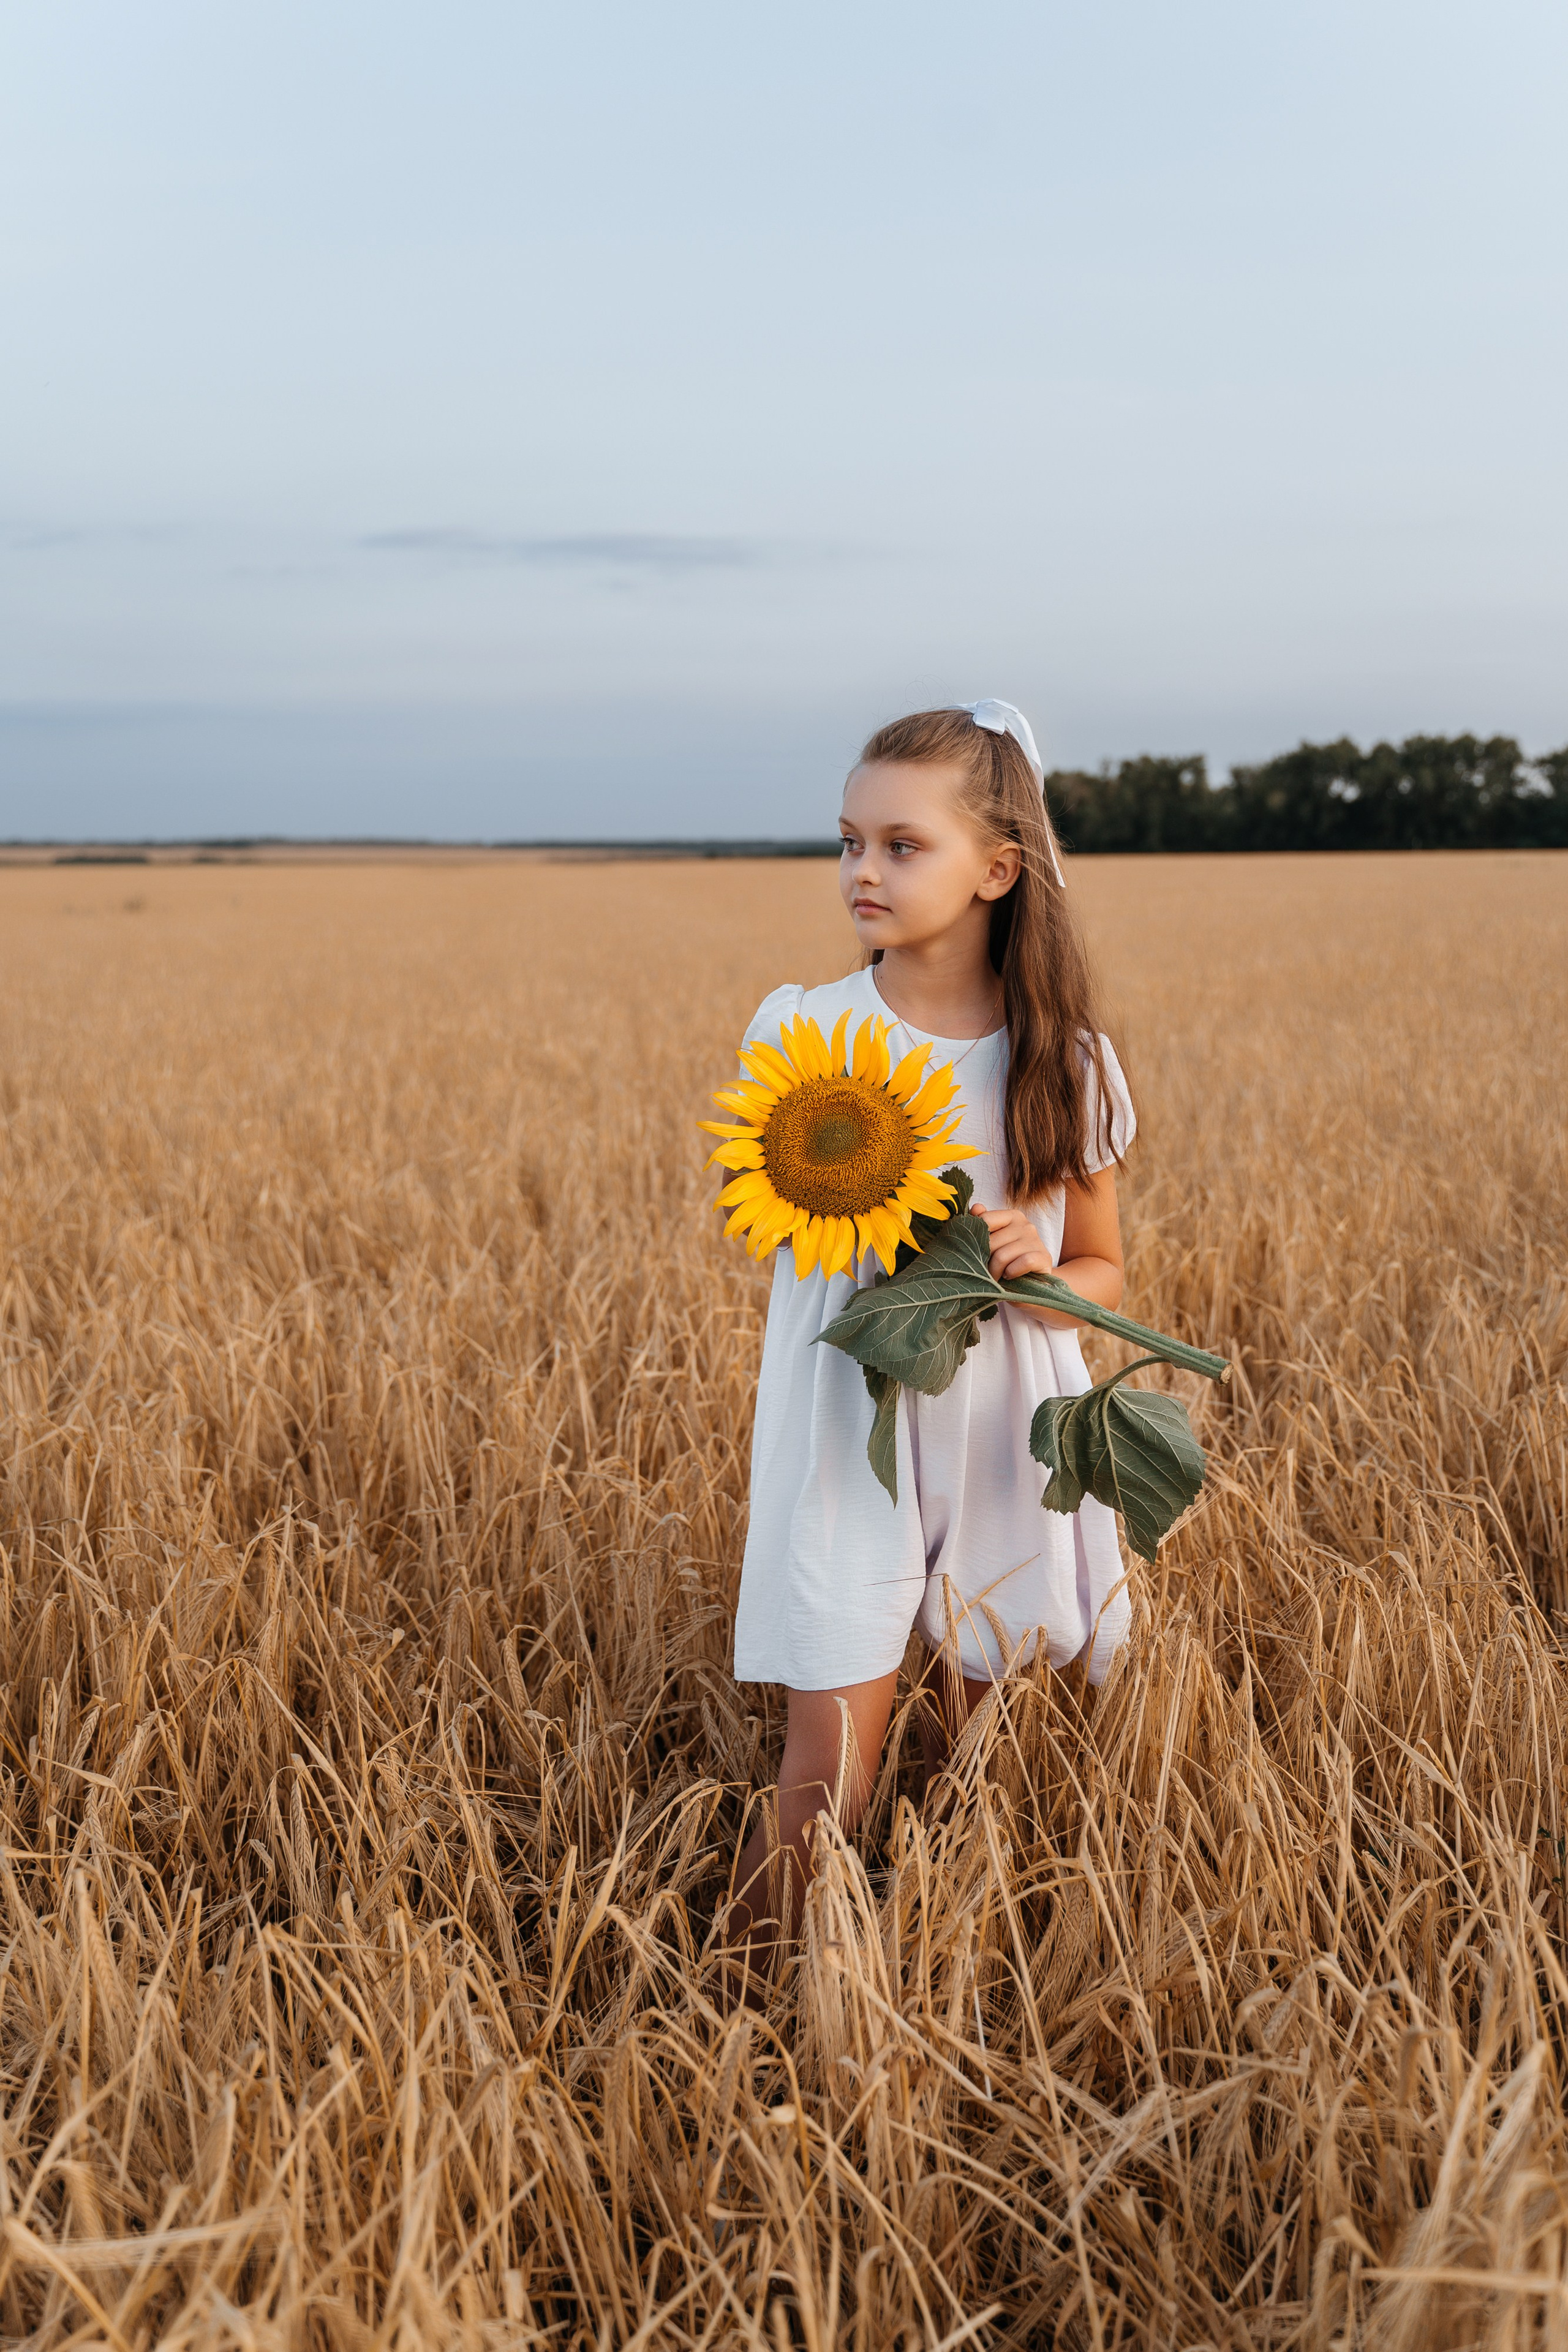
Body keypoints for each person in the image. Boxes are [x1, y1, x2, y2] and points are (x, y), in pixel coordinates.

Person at [715, 701, 1137, 1990]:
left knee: (979, 1756)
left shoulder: (1064, 1062)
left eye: (903, 846)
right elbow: (763, 1207)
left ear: (996, 870)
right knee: (826, 1765)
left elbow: (1103, 1272)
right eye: (848, 841)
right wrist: (866, 1211)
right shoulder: (803, 1030)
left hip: (1005, 1430)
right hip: (851, 1425)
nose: (862, 870)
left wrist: (1033, 1275)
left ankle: (948, 2006)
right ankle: (736, 2020)